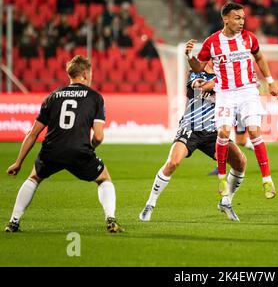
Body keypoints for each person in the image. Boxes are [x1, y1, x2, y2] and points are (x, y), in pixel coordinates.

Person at [5, 55, 123, 233]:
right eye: (90, 74)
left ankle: (13, 222)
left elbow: (32, 133)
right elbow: (98, 136)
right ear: (84, 74)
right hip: (79, 151)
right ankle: (111, 219)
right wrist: (91, 148)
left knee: (34, 178)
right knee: (104, 179)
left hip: (52, 150)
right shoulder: (95, 97)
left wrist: (18, 162)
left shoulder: (53, 96)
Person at [185, 2, 278, 199]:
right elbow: (198, 68)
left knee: (254, 130)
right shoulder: (212, 42)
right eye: (237, 18)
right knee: (223, 131)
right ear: (225, 19)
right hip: (226, 93)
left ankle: (267, 179)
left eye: (243, 18)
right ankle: (221, 176)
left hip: (248, 91)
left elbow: (260, 57)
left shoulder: (248, 38)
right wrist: (189, 56)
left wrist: (270, 81)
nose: (241, 22)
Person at [139, 65, 247, 222]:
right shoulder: (196, 72)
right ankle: (150, 203)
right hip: (191, 128)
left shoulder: (228, 77)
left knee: (240, 161)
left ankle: (226, 202)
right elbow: (200, 86)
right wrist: (231, 83)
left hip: (213, 132)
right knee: (173, 162)